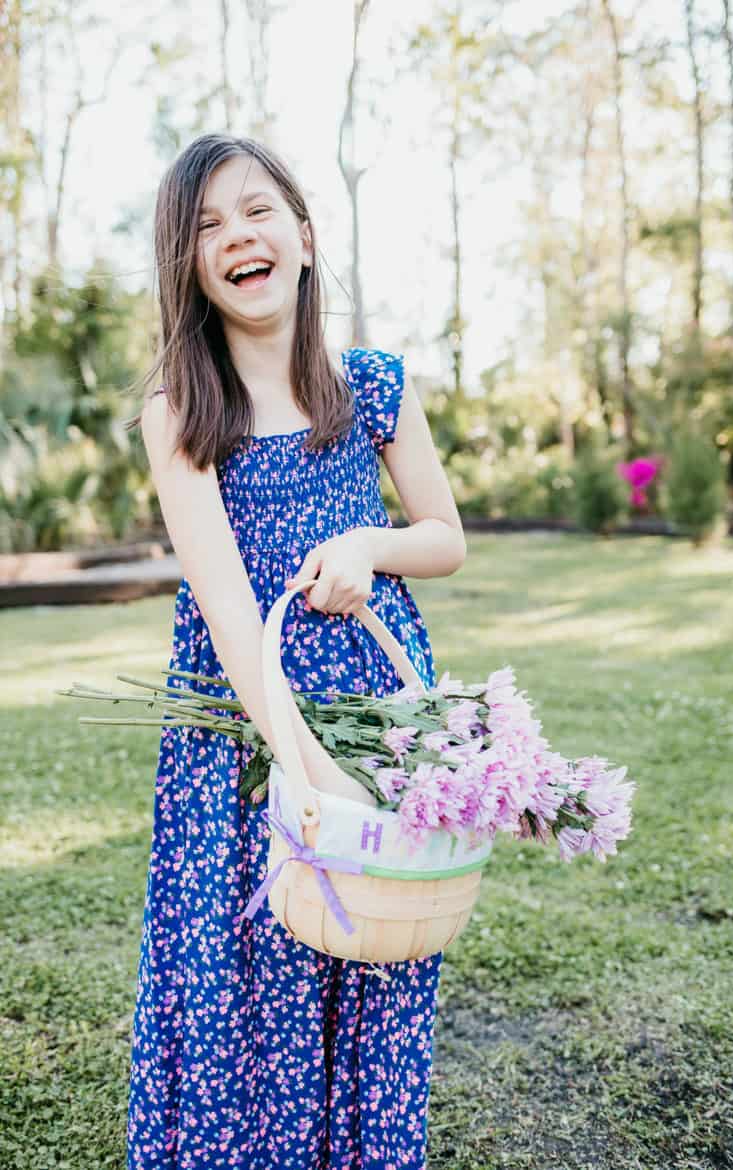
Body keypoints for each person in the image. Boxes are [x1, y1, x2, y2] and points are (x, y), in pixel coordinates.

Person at [125, 132, 468, 1170]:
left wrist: (367, 543)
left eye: (256, 210)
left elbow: (445, 538)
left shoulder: (370, 385)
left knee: (378, 943)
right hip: (248, 728)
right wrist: (304, 770)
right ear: (187, 266)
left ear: (306, 237)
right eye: (206, 226)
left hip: (377, 710)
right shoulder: (181, 409)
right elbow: (229, 611)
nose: (237, 236)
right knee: (259, 957)